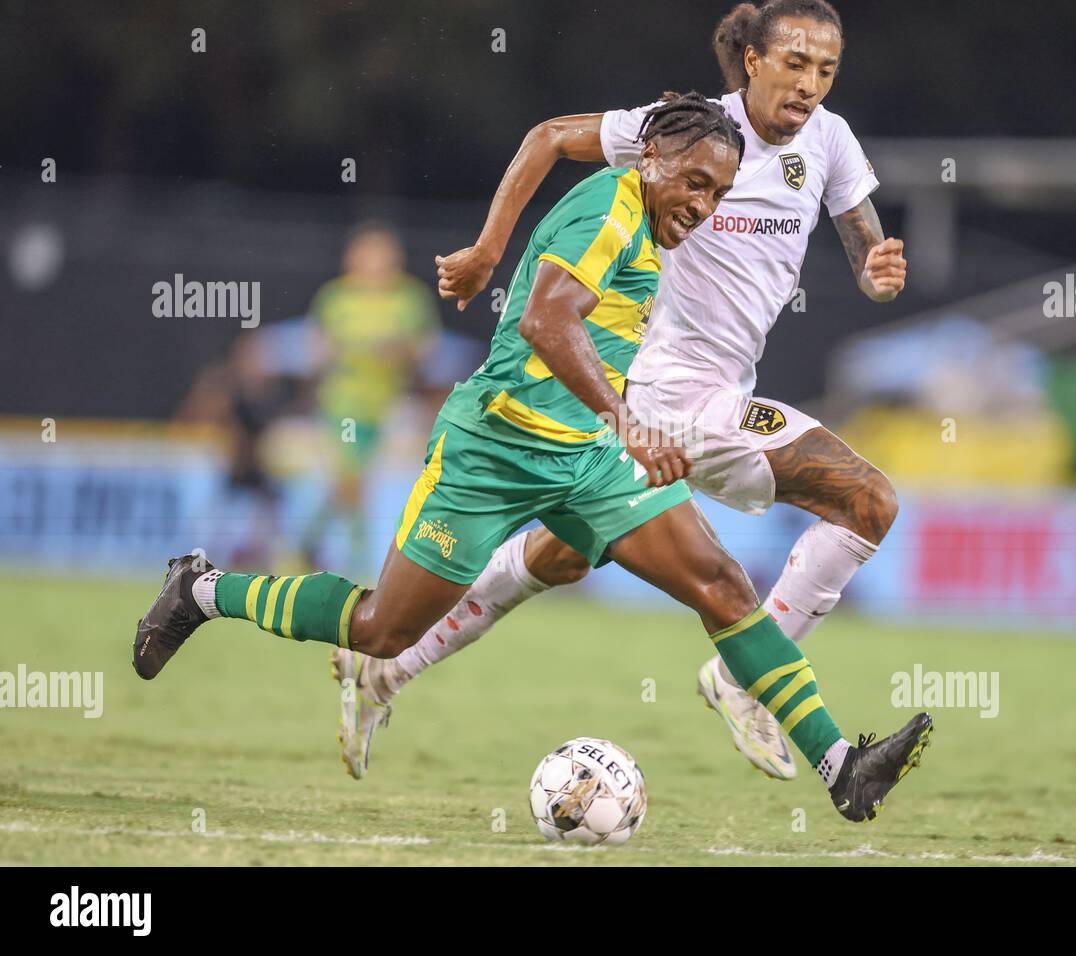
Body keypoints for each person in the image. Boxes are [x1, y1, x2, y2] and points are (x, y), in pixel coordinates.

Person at [132, 92, 931, 824]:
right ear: (649, 159)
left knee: (721, 585)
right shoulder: (611, 212)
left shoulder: (652, 226)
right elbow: (549, 320)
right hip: (495, 449)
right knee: (380, 626)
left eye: (718, 193)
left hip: (585, 460)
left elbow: (567, 242)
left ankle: (841, 766)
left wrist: (609, 420)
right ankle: (201, 590)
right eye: (693, 182)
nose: (703, 204)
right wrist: (626, 419)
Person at [337, 0, 911, 784]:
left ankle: (386, 670)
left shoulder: (832, 141)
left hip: (690, 395)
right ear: (753, 62)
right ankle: (746, 681)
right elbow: (547, 137)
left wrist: (878, 272)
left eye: (826, 70)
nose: (811, 84)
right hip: (659, 390)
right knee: (867, 500)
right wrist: (486, 250)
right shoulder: (689, 134)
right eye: (796, 64)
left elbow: (865, 244)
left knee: (559, 557)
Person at [301, 222, 438, 576]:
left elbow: (424, 350)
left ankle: (307, 544)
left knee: (350, 484)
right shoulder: (336, 297)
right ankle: (357, 564)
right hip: (341, 407)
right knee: (353, 481)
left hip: (382, 408)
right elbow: (316, 350)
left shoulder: (409, 297)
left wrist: (396, 352)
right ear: (353, 258)